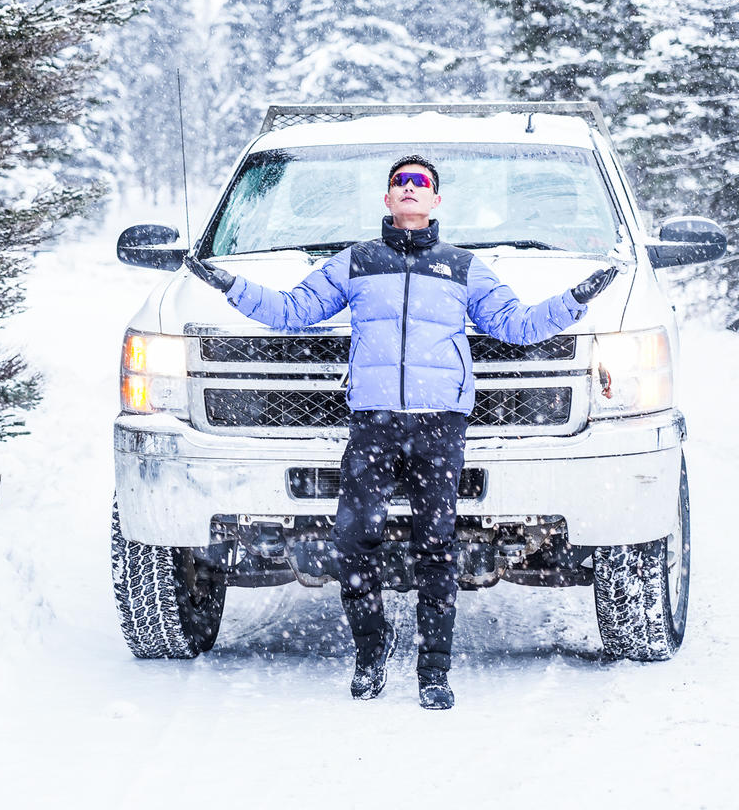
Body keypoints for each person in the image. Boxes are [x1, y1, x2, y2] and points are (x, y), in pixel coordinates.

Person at [185, 155, 616, 710]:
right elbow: (293, 311)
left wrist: (577, 298)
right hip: (374, 421)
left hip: (440, 425)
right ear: (387, 200)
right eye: (400, 183)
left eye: (422, 183)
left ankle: (433, 670)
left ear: (436, 201)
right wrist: (229, 285)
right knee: (354, 539)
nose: (410, 189)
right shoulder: (356, 263)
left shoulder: (463, 267)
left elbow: (517, 325)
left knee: (436, 546)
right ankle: (371, 651)